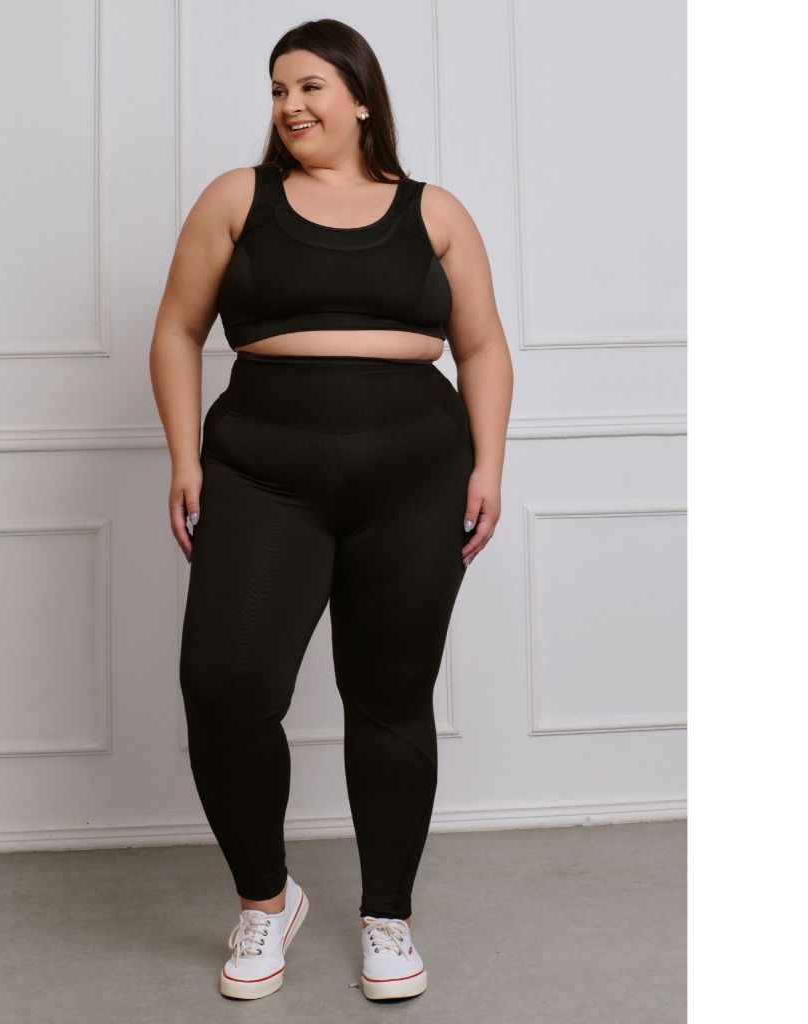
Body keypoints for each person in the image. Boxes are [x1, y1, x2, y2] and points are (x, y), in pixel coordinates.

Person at [149, 18, 513, 1002]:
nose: (291, 105)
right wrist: (183, 458)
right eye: (277, 89)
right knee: (224, 686)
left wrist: (488, 465)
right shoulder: (238, 199)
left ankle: (388, 918)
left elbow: (481, 346)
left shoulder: (435, 211)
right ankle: (265, 901)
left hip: (417, 478)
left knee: (389, 696)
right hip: (261, 473)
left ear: (360, 97)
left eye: (310, 85)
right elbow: (177, 330)